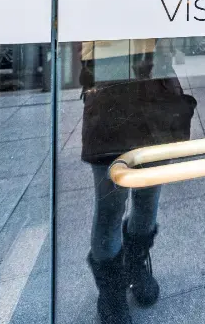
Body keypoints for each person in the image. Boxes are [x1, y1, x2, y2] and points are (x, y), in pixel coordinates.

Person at [81, 39, 161, 324]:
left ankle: (135, 263)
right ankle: (111, 289)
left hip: (154, 81)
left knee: (149, 195)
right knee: (110, 206)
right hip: (109, 81)